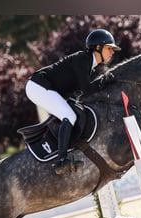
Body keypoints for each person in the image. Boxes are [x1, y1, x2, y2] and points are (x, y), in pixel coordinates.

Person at [25, 29, 121, 174]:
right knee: (69, 116)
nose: (112, 52)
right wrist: (105, 81)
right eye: (109, 48)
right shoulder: (83, 59)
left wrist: (103, 82)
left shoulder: (89, 64)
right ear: (98, 48)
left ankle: (66, 153)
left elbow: (81, 92)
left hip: (42, 87)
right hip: (38, 86)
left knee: (71, 113)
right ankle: (61, 160)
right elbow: (87, 89)